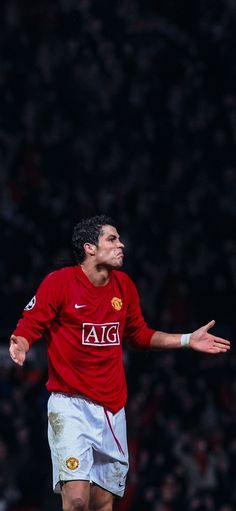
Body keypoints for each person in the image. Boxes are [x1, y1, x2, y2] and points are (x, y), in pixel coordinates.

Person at [9, 214, 230, 511]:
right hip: (70, 405)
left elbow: (139, 335)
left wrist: (188, 339)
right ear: (89, 248)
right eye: (112, 239)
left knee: (102, 503)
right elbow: (31, 323)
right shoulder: (60, 282)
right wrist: (20, 344)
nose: (121, 245)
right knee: (76, 500)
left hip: (112, 410)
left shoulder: (123, 286)